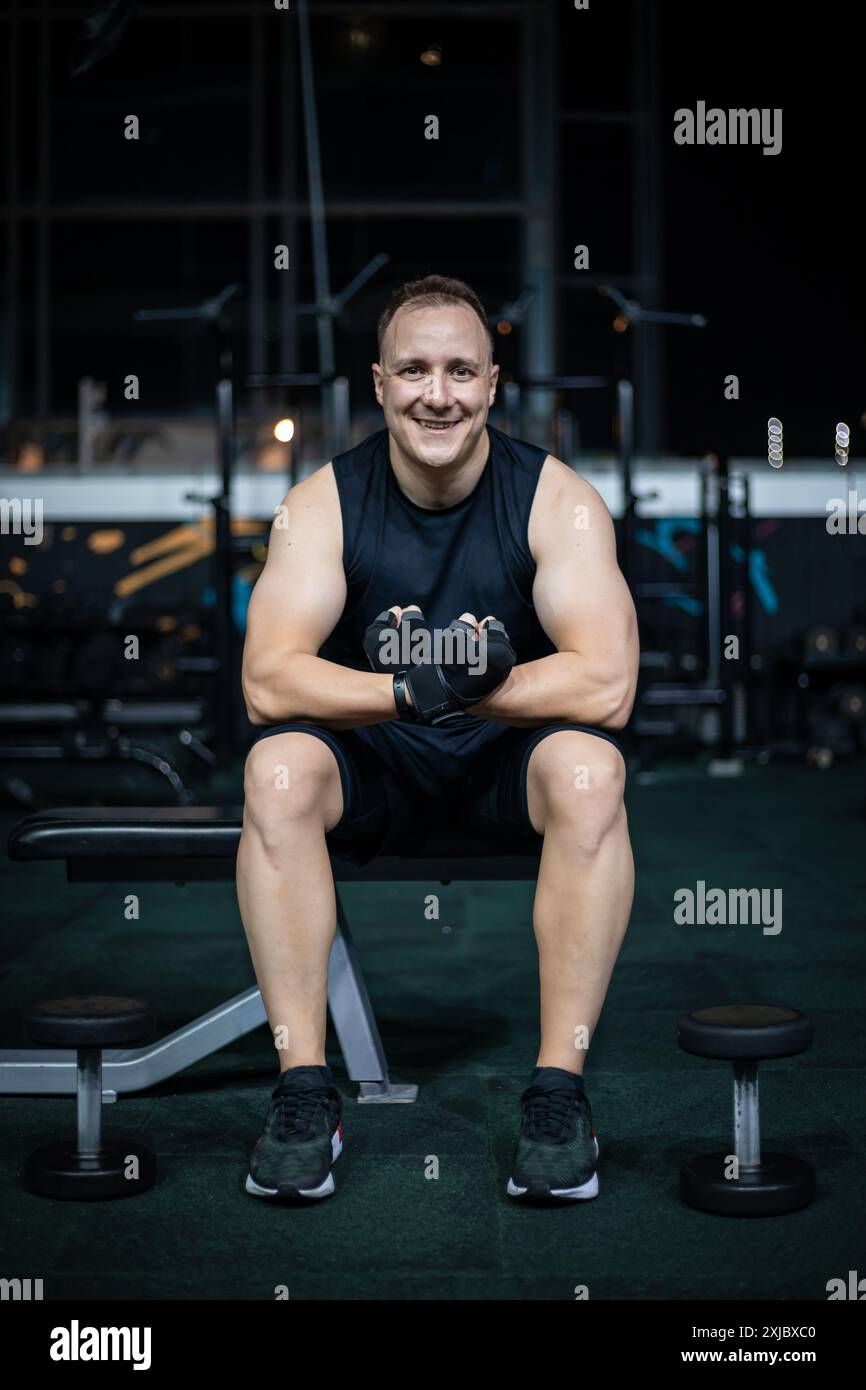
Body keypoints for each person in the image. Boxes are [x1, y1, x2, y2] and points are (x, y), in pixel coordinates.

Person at [238, 274, 639, 1202]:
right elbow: (267, 678)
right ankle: (304, 1093)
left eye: (462, 371)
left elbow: (609, 681)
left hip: (508, 767)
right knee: (277, 769)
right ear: (377, 383)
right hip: (376, 766)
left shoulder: (555, 499)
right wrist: (410, 691)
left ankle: (558, 1093)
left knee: (590, 770)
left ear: (493, 384)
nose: (438, 393)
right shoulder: (324, 503)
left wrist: (480, 691)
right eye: (414, 370)